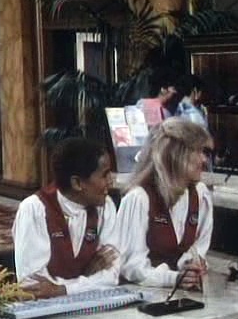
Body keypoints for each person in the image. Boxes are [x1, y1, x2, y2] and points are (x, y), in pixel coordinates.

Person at [12, 137, 119, 299]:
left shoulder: (106, 206)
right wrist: (86, 277)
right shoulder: (34, 209)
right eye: (105, 175)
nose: (111, 182)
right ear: (77, 183)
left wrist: (62, 289)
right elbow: (32, 286)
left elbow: (111, 277)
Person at [115, 117, 214, 290]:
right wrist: (173, 279)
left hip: (182, 293)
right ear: (176, 155)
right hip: (142, 294)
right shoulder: (139, 198)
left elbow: (198, 247)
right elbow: (130, 266)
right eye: (198, 152)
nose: (204, 160)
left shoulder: (200, 195)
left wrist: (191, 264)